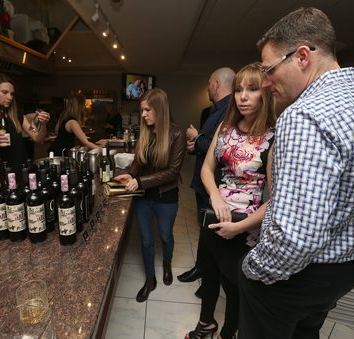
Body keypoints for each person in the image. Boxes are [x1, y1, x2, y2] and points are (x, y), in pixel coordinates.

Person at [238, 7, 354, 339]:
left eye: (269, 68)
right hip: (348, 270)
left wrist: (253, 269)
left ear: (302, 56)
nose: (264, 81)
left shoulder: (305, 115)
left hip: (299, 275)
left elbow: (296, 239)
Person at [185, 63, 276, 339]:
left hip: (245, 227)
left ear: (265, 95)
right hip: (215, 215)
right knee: (209, 274)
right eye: (238, 89)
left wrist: (240, 227)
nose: (243, 96)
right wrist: (214, 195)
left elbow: (275, 199)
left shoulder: (273, 138)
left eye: (252, 89)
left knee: (234, 285)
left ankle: (227, 332)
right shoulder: (225, 129)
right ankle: (205, 324)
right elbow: (206, 168)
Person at [114, 88, 186, 302]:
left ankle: (166, 264)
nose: (143, 115)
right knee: (146, 240)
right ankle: (149, 279)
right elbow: (138, 161)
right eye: (142, 110)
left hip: (166, 197)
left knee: (165, 236)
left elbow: (173, 172)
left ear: (160, 109)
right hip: (144, 197)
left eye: (147, 110)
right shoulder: (145, 132)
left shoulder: (177, 134)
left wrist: (140, 181)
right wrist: (129, 175)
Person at [178, 68, 235, 291]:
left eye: (209, 83)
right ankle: (202, 268)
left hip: (216, 185)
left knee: (212, 231)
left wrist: (196, 137)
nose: (207, 87)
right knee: (205, 229)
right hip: (204, 182)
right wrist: (196, 146)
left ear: (217, 84)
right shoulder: (214, 110)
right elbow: (208, 145)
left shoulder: (229, 110)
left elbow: (220, 150)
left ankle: (209, 276)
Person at [0, 73, 50, 174]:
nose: (9, 97)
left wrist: (43, 124)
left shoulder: (18, 116)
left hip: (21, 173)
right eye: (4, 92)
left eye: (11, 94)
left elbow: (38, 138)